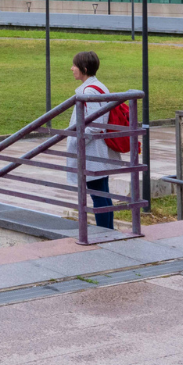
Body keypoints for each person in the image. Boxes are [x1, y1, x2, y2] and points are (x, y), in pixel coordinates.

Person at [67, 50, 123, 230]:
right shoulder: (99, 86)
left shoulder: (89, 91)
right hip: (99, 148)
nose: (72, 68)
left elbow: (95, 124)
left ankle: (104, 232)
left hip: (92, 151)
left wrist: (77, 139)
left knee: (98, 195)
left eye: (74, 65)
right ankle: (108, 230)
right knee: (103, 193)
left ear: (84, 68)